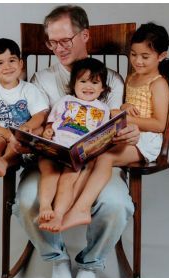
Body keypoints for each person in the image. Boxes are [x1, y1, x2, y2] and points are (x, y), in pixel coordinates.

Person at [11, 5, 141, 278]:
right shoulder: (41, 80)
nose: (58, 48)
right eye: (52, 42)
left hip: (96, 167)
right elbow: (38, 123)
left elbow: (117, 125)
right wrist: (29, 137)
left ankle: (90, 266)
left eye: (65, 40)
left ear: (85, 36)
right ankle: (56, 260)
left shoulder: (112, 81)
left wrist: (129, 132)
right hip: (51, 164)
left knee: (116, 206)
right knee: (28, 202)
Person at [60, 22, 169, 231]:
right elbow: (127, 106)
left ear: (161, 56)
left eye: (145, 57)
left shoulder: (158, 84)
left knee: (105, 156)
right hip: (126, 133)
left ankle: (82, 208)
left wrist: (123, 116)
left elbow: (159, 124)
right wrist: (126, 106)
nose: (137, 61)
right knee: (91, 152)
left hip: (146, 141)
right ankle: (68, 205)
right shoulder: (132, 77)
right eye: (133, 54)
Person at [37, 58, 111, 233]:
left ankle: (58, 215)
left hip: (77, 154)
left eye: (94, 82)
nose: (88, 86)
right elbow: (51, 121)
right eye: (83, 81)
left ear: (103, 88)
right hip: (54, 147)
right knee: (50, 172)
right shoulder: (65, 100)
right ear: (73, 84)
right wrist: (47, 131)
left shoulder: (102, 109)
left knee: (67, 180)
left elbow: (102, 136)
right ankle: (45, 207)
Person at [0, 38, 49, 185]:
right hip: (1, 133)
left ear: (21, 64)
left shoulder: (29, 89)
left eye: (12, 60)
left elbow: (40, 114)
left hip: (23, 138)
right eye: (0, 63)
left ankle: (3, 161)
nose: (7, 66)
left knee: (24, 137)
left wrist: (27, 127)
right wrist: (7, 134)